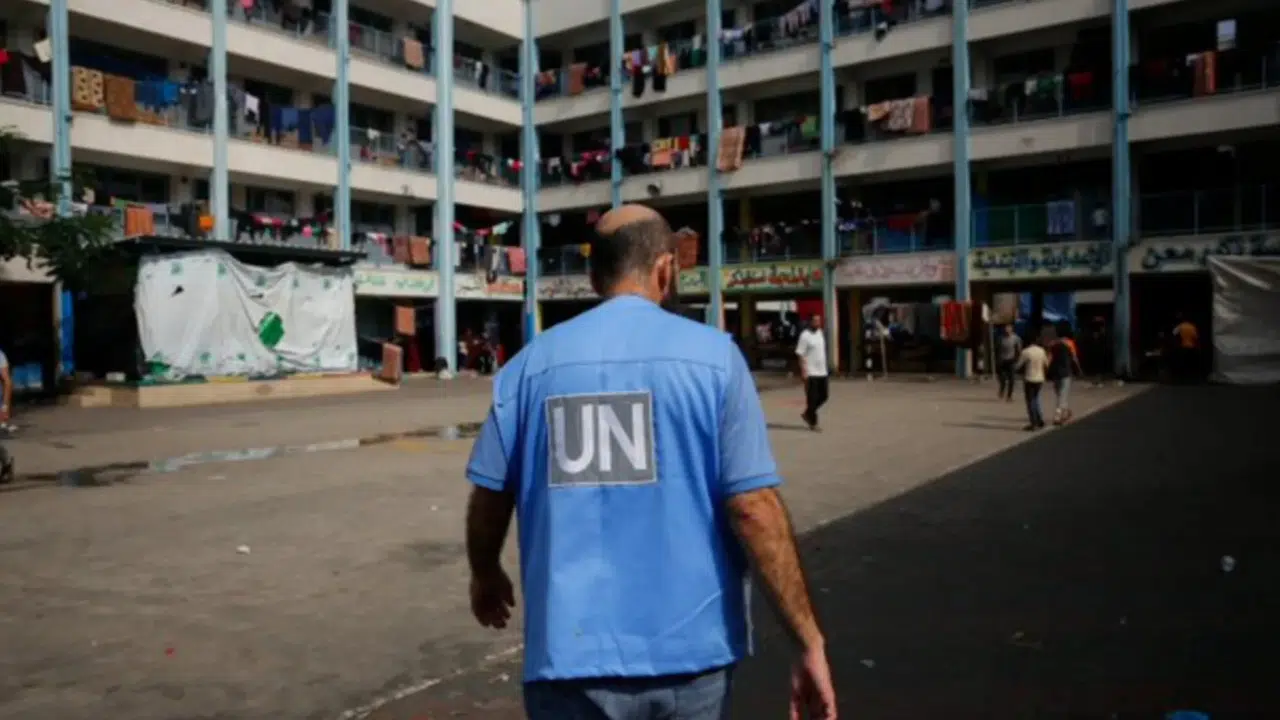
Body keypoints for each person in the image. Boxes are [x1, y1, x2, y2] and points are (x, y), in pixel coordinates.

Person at [463, 204, 836, 720]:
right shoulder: (715, 359)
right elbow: (753, 508)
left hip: (568, 662)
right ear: (665, 269)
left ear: (594, 278)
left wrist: (485, 573)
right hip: (690, 658)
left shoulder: (528, 367)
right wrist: (807, 638)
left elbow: (490, 495)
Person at [795, 313, 829, 431]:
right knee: (812, 399)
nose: (817, 323)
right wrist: (803, 371)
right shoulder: (805, 335)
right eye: (815, 321)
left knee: (824, 396)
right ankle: (813, 423)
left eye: (819, 320)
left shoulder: (820, 333)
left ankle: (807, 413)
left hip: (822, 371)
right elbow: (800, 354)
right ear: (810, 322)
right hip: (811, 372)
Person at [1047, 322, 1083, 425]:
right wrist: (1079, 369)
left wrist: (1046, 370)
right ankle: (1057, 416)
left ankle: (1066, 411)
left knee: (1059, 394)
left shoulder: (1052, 344)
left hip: (1055, 373)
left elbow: (1049, 358)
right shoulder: (1070, 343)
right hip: (1066, 372)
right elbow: (1074, 358)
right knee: (1063, 394)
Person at [1014, 333, 1051, 431]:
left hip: (1029, 378)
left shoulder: (1026, 352)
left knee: (1030, 401)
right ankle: (1039, 420)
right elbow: (1046, 363)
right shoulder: (1041, 351)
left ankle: (1033, 423)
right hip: (1040, 378)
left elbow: (1018, 365)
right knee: (1036, 398)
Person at [995, 324, 1022, 401]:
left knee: (1012, 379)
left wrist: (1017, 360)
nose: (1007, 330)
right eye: (1006, 329)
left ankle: (1009, 396)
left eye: (1008, 328)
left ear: (1012, 329)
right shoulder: (1000, 338)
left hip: (1011, 361)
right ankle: (1002, 390)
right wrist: (997, 359)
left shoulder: (1016, 338)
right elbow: (997, 349)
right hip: (1002, 360)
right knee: (1002, 379)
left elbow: (1019, 350)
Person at [1172, 313, 1200, 383]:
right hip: (1191, 347)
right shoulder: (1192, 327)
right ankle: (1189, 377)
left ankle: (1181, 377)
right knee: (1190, 362)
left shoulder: (1180, 326)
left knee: (1181, 362)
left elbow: (1174, 334)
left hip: (1182, 347)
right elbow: (1195, 337)